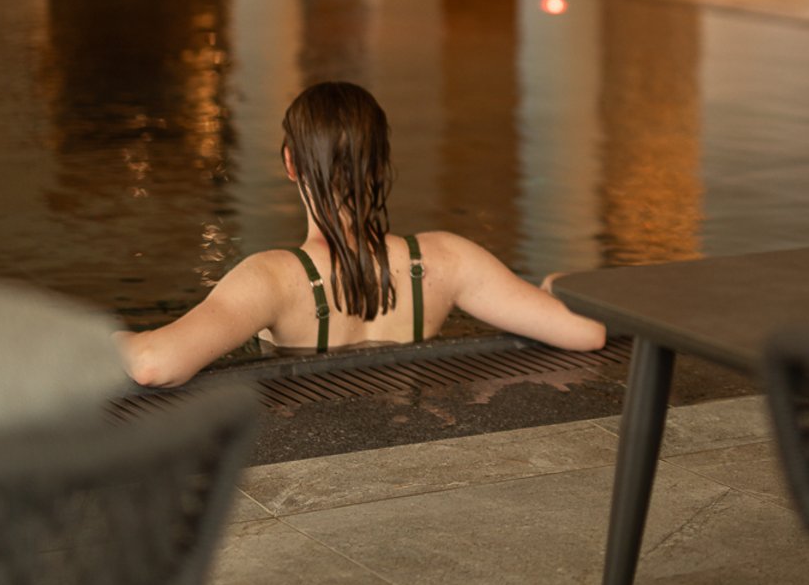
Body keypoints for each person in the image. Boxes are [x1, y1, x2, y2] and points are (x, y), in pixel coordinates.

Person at [118, 81, 606, 388]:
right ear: (379, 165)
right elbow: (586, 333)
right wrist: (555, 288)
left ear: (291, 163)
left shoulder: (272, 279)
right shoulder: (447, 259)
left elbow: (154, 364)